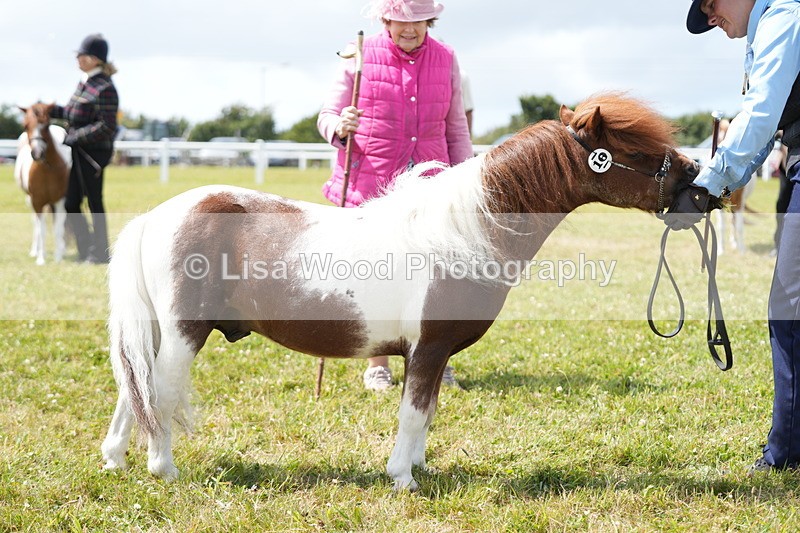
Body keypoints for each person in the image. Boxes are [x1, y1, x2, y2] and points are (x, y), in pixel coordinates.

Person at [670, 0, 800, 472]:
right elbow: (765, 129)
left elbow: (762, 114)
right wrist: (715, 179)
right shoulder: (772, 26)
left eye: (709, 4)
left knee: (789, 309)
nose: (709, 17)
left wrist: (708, 183)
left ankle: (787, 452)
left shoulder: (785, 19)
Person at [317, 0, 473, 391]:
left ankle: (436, 359)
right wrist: (340, 124)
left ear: (429, 20)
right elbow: (326, 115)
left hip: (431, 179)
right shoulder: (359, 55)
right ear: (385, 20)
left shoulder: (446, 58)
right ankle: (378, 364)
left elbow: (455, 127)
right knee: (378, 273)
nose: (410, 30)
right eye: (402, 22)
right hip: (373, 178)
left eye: (419, 22)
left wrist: (465, 177)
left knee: (436, 275)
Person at [51, 33, 119, 264]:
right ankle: (87, 247)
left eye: (83, 55)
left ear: (95, 59)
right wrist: (48, 110)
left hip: (93, 155)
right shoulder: (85, 82)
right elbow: (72, 113)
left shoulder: (105, 87)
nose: (79, 58)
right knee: (71, 202)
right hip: (78, 150)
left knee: (94, 202)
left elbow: (107, 126)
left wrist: (76, 136)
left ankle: (99, 252)